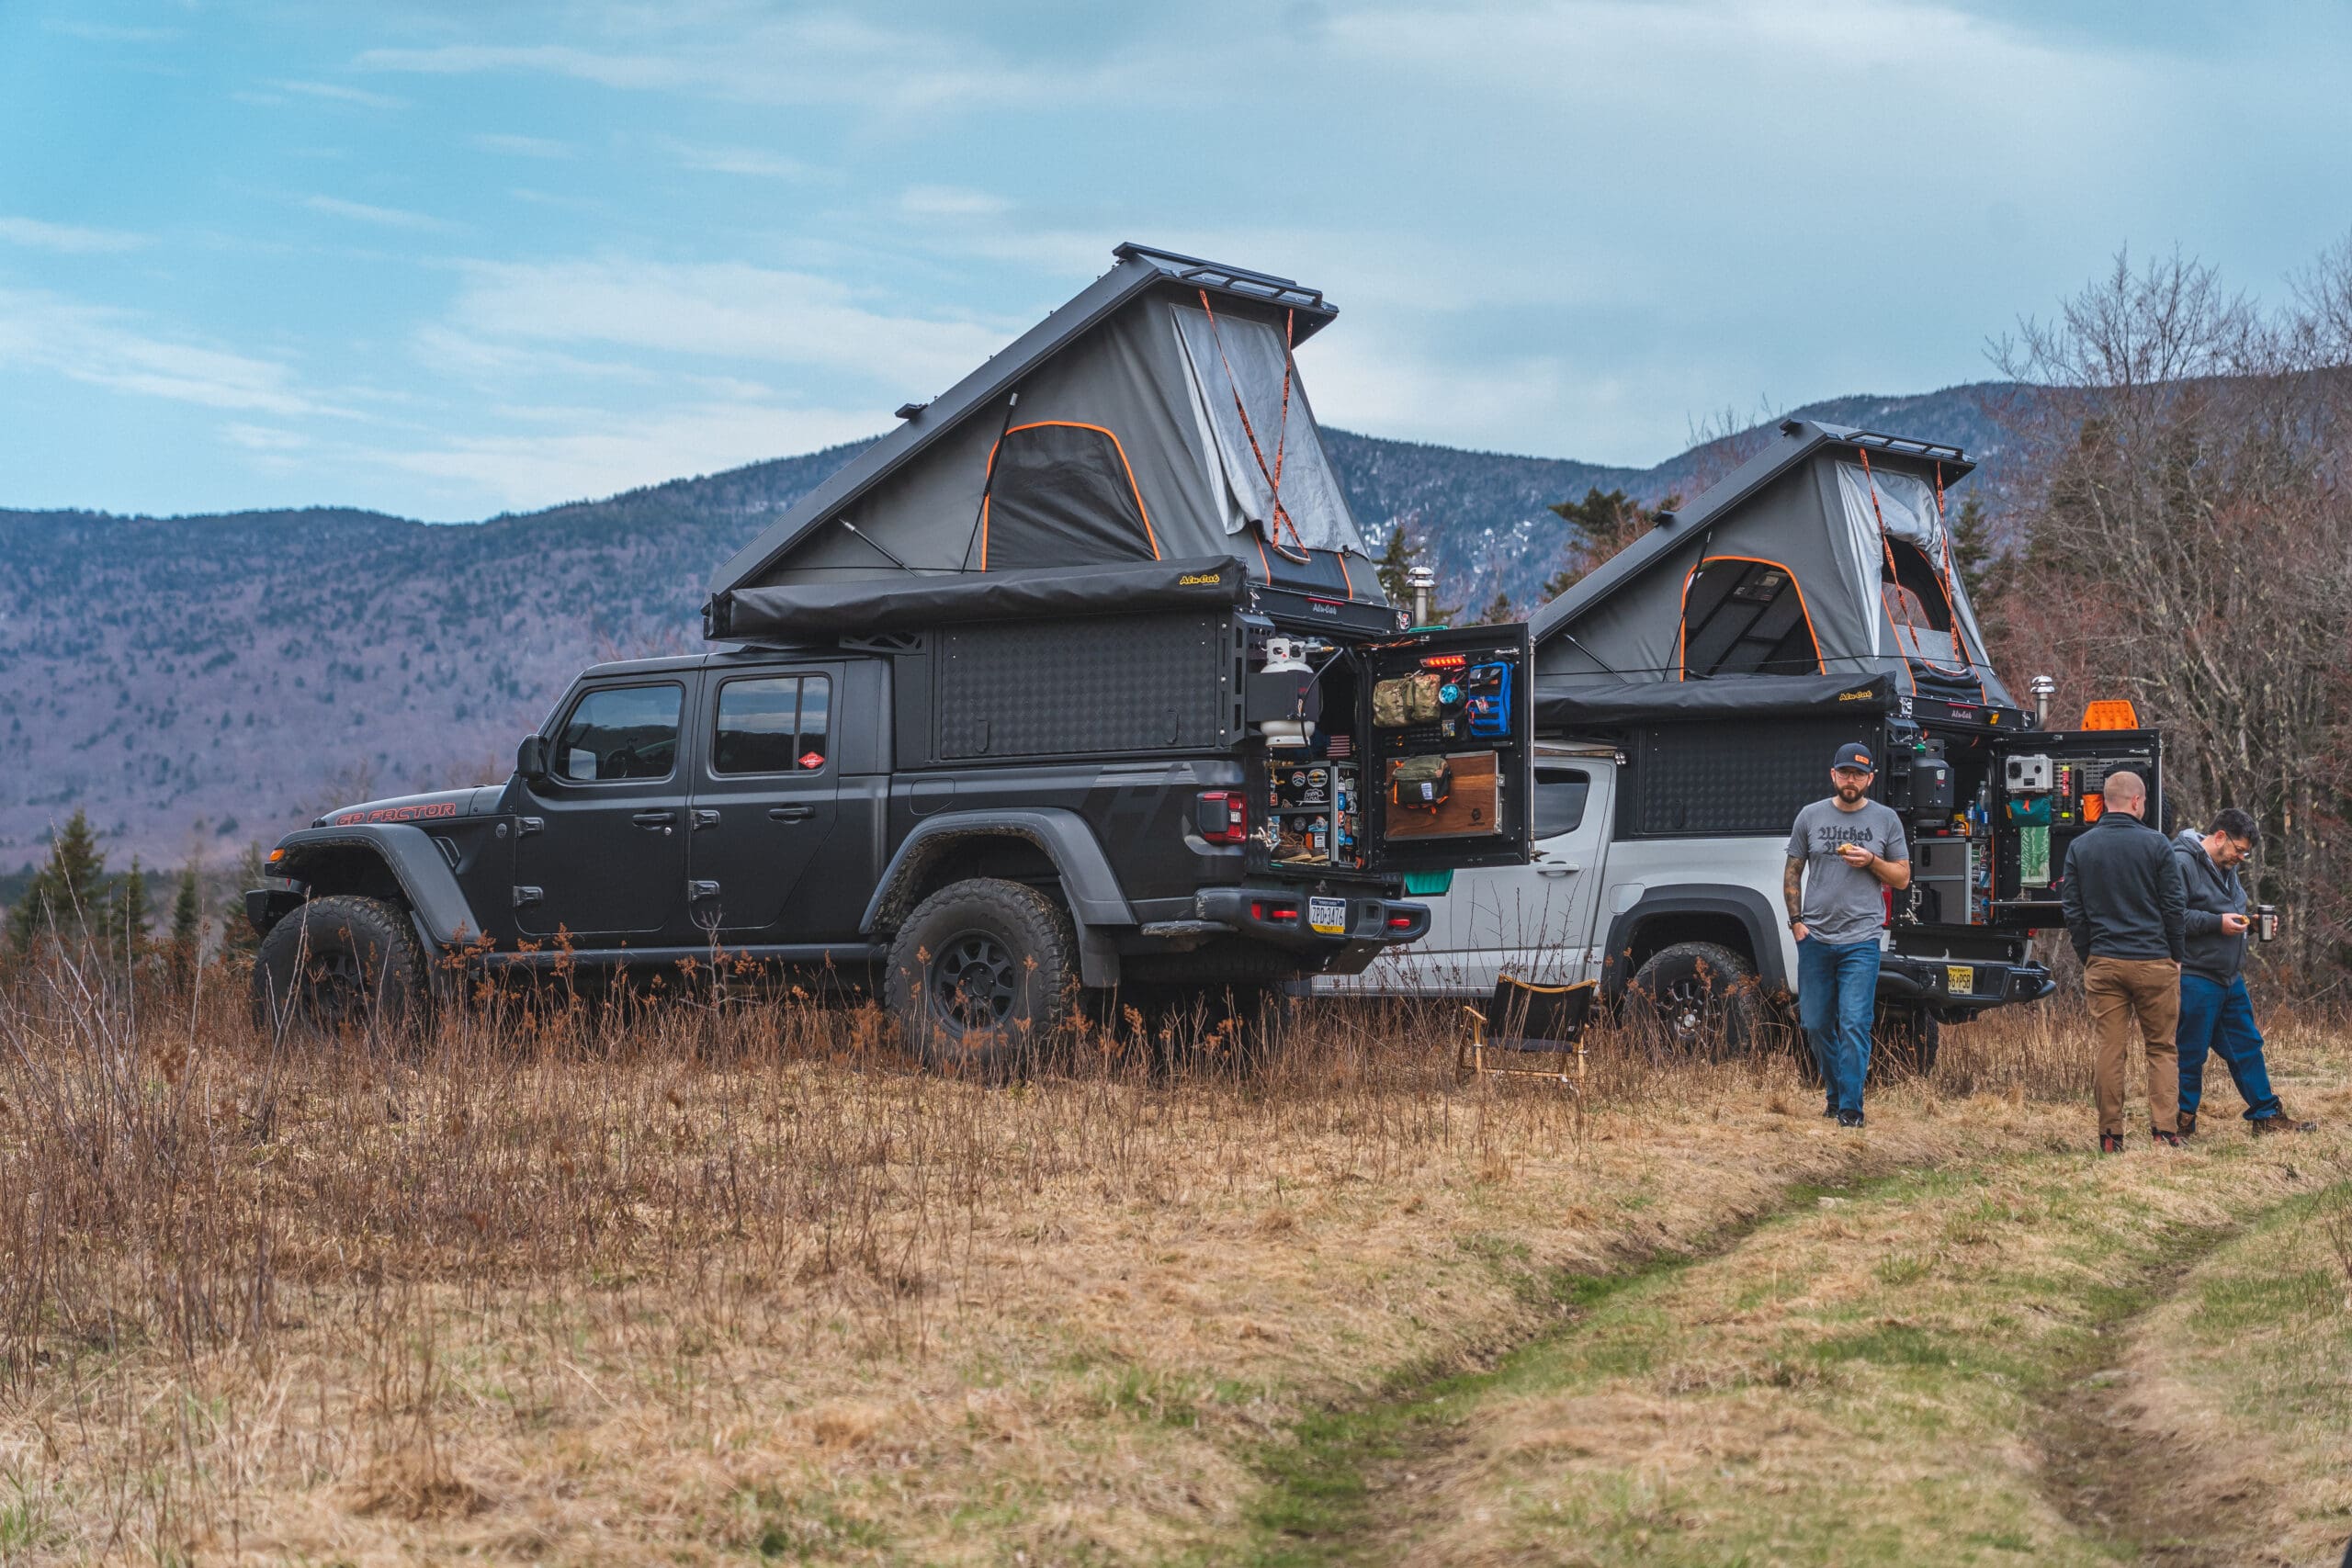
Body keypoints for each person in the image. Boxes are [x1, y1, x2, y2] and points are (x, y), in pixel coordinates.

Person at [1784, 741, 1911, 1129]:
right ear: (1833, 775)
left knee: (1855, 1022)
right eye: (1844, 773)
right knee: (1816, 1024)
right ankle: (1836, 1095)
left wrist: (1872, 861)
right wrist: (1797, 923)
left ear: (1870, 778)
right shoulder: (1810, 816)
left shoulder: (1886, 820)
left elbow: (1903, 877)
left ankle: (1851, 1113)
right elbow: (1792, 872)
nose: (1850, 780)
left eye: (1858, 774)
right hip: (1816, 938)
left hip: (1862, 939)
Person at [2059, 771, 2186, 1153]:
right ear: (2136, 802)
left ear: (2105, 801)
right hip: (2154, 961)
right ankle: (2164, 1131)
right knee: (2161, 1048)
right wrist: (2175, 955)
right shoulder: (2157, 844)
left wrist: (2090, 955)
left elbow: (2073, 912)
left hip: (2105, 961)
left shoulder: (2080, 848)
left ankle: (2110, 1136)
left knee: (2109, 1049)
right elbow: (2174, 907)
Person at [2174, 808, 2317, 1136]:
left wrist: (2250, 925)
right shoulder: (2180, 863)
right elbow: (2171, 917)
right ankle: (2180, 1124)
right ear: (2220, 836)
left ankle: (2266, 1115)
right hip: (2195, 975)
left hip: (2229, 978)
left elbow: (2225, 915)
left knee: (2247, 1046)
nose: (2241, 857)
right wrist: (2216, 923)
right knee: (2191, 1052)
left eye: (2245, 852)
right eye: (2238, 849)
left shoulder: (2226, 868)